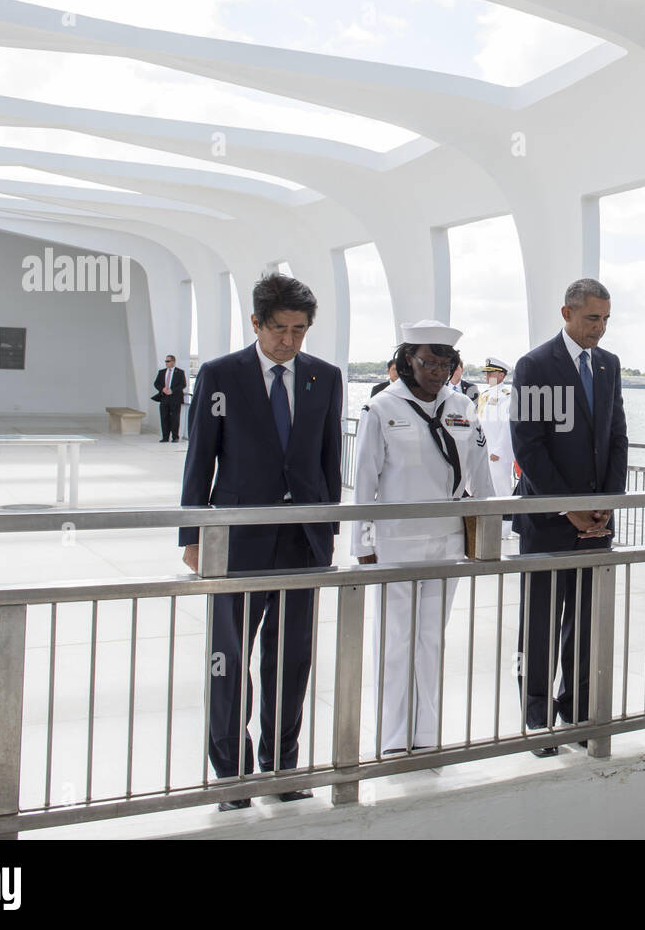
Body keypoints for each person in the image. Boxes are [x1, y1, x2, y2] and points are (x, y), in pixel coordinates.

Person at [179, 273, 342, 810]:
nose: (289, 341)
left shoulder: (326, 378)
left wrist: (329, 528)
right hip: (238, 542)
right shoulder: (221, 375)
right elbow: (200, 456)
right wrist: (192, 534)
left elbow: (327, 460)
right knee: (230, 658)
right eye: (279, 329)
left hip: (303, 543)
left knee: (291, 659)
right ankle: (231, 775)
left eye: (299, 331)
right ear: (256, 323)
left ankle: (281, 767)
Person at [352, 320, 494, 754]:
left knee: (431, 640)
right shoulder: (382, 408)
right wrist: (363, 544)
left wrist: (488, 537)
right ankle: (394, 738)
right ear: (406, 360)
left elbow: (482, 476)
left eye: (445, 362)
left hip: (445, 543)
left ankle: (426, 736)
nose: (437, 370)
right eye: (428, 361)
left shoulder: (462, 407)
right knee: (397, 642)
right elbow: (362, 484)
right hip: (395, 545)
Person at [510, 278, 628, 756]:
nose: (598, 329)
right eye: (590, 319)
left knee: (584, 624)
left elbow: (617, 436)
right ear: (566, 313)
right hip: (548, 520)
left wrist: (607, 504)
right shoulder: (536, 366)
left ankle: (575, 711)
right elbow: (530, 446)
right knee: (539, 624)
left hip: (596, 522)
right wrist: (569, 507)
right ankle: (536, 718)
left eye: (604, 319)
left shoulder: (609, 365)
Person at [476, 357, 517, 537]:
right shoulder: (485, 394)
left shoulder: (507, 395)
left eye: (491, 373)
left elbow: (508, 426)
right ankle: (492, 523)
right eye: (486, 373)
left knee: (502, 489)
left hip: (497, 452)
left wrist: (498, 451)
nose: (487, 376)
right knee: (488, 488)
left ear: (501, 375)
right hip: (484, 448)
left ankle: (507, 528)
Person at [151, 354, 187, 442]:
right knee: (164, 417)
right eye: (165, 361)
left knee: (175, 418)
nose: (166, 363)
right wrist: (162, 389)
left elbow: (183, 384)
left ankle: (175, 437)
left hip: (175, 398)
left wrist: (172, 390)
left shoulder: (180, 372)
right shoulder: (162, 372)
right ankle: (165, 437)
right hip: (164, 398)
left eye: (168, 361)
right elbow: (156, 383)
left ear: (173, 362)